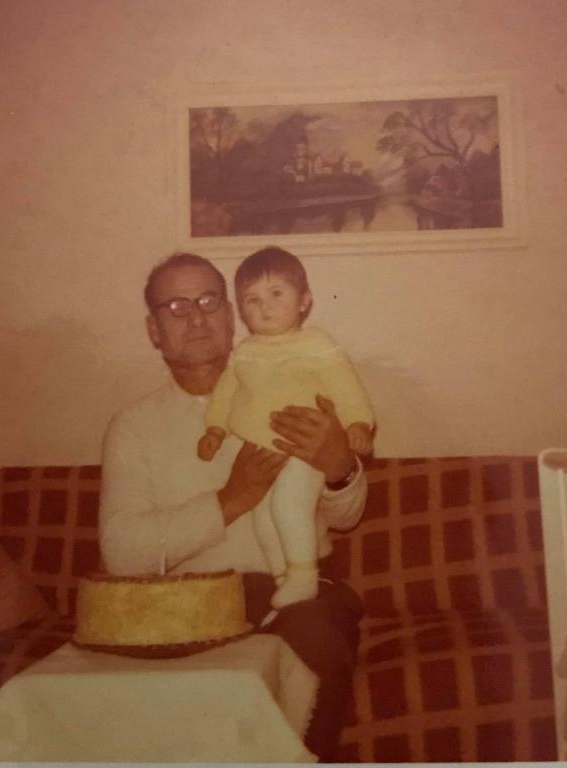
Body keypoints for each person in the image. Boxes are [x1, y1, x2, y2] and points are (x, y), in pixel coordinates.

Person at [98, 251, 367, 761]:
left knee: (315, 641)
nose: (196, 317)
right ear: (154, 330)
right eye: (175, 307)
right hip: (186, 607)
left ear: (230, 314)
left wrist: (340, 467)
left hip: (300, 592)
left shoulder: (302, 386)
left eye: (207, 300)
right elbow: (121, 554)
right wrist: (230, 500)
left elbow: (348, 515)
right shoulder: (132, 427)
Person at [197, 247, 374, 611]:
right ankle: (285, 578)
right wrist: (214, 429)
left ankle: (303, 576)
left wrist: (358, 423)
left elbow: (346, 387)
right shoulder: (244, 353)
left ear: (304, 301)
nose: (265, 307)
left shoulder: (317, 344)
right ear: (241, 311)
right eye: (252, 299)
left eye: (276, 294)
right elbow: (225, 394)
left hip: (304, 448)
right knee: (263, 518)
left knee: (287, 506)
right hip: (264, 451)